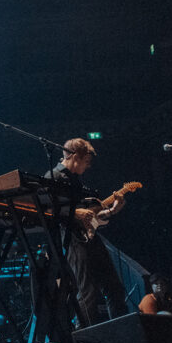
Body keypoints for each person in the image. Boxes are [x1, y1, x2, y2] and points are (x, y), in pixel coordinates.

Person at [47, 138, 128, 326]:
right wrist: (74, 212)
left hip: (90, 237)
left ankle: (121, 335)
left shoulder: (78, 182)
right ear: (75, 156)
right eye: (87, 161)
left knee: (115, 288)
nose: (88, 166)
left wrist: (112, 210)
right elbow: (47, 210)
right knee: (88, 291)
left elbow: (91, 217)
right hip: (71, 238)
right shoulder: (54, 176)